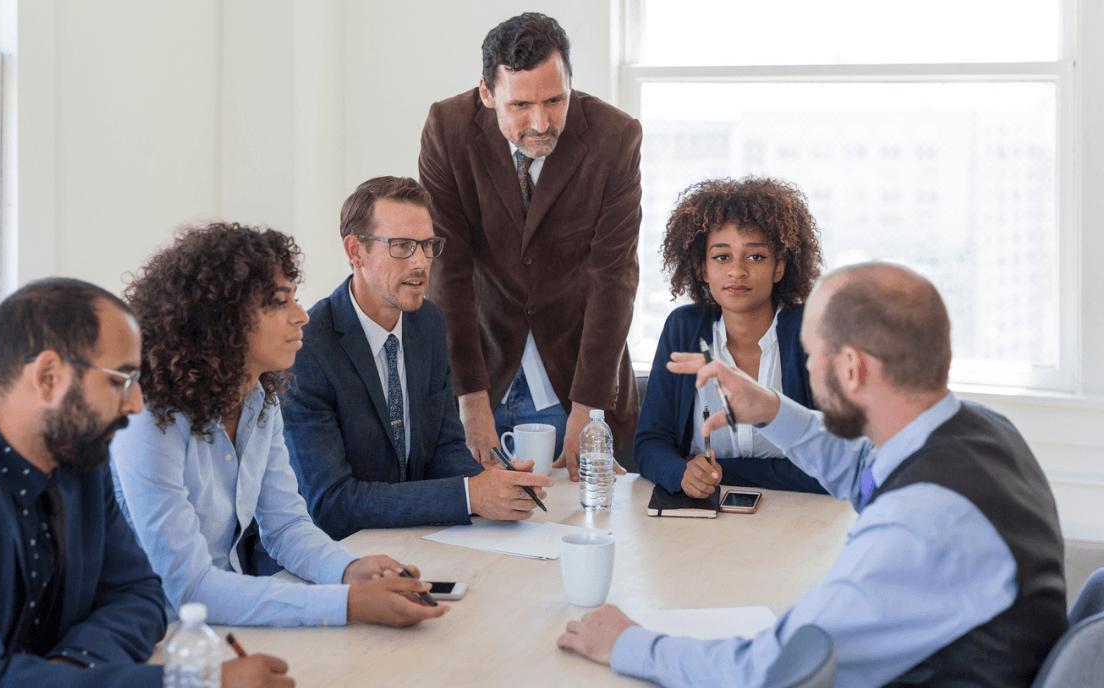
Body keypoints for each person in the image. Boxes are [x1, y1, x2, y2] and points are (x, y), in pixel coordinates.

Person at [558, 263, 1066, 686]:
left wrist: (632, 644)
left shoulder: (921, 523)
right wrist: (771, 409)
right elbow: (864, 469)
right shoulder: (978, 431)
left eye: (811, 353)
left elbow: (774, 670)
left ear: (851, 369)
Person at [0, 278, 290, 687]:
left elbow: (140, 596)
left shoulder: (74, 450)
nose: (136, 403)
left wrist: (70, 671)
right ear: (48, 377)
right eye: (122, 380)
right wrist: (195, 679)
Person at [111, 222, 446, 630]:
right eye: (278, 302)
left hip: (227, 622)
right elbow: (188, 586)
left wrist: (351, 569)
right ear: (221, 319)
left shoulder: (258, 398)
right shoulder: (150, 418)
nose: (301, 316)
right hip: (154, 638)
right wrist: (347, 603)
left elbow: (285, 526)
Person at [419, 12, 641, 479]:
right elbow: (448, 272)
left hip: (573, 382)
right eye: (520, 105)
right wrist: (470, 397)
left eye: (555, 100)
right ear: (487, 93)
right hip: (481, 374)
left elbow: (613, 279)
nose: (540, 123)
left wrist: (590, 410)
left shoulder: (615, 138)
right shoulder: (448, 129)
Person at [283, 176, 553, 541]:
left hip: (413, 540)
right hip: (336, 556)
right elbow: (332, 503)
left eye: (427, 246)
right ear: (355, 251)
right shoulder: (308, 347)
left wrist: (493, 483)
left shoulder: (427, 323)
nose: (421, 263)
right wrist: (470, 495)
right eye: (402, 246)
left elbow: (444, 448)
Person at [637, 177, 826, 497]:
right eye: (722, 257)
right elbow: (649, 444)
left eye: (755, 257)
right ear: (702, 268)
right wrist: (682, 473)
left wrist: (724, 470)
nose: (737, 272)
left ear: (779, 267)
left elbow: (829, 464)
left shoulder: (809, 332)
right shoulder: (683, 328)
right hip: (705, 517)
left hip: (801, 519)